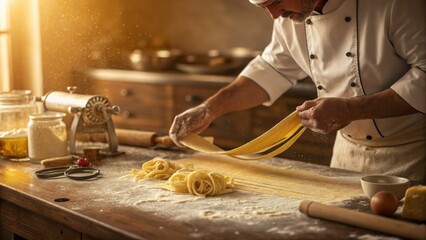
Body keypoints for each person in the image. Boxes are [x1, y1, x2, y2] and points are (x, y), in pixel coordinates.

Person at [169, 0, 426, 183]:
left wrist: (351, 109)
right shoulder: (290, 16)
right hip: (347, 156)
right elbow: (271, 69)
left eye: (277, 1)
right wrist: (209, 109)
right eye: (263, 6)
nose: (273, 14)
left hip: (413, 155)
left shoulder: (394, 4)